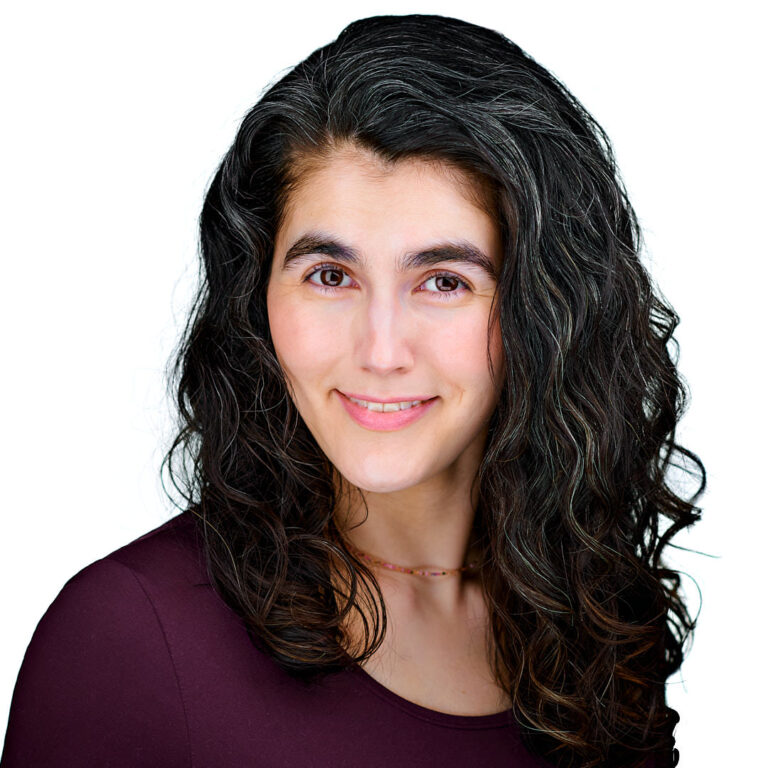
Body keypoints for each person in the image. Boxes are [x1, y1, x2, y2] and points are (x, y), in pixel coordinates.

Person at [0, 13, 704, 768]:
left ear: (549, 308)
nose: (380, 350)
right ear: (258, 297)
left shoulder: (595, 618)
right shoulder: (126, 641)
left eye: (444, 281)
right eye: (330, 276)